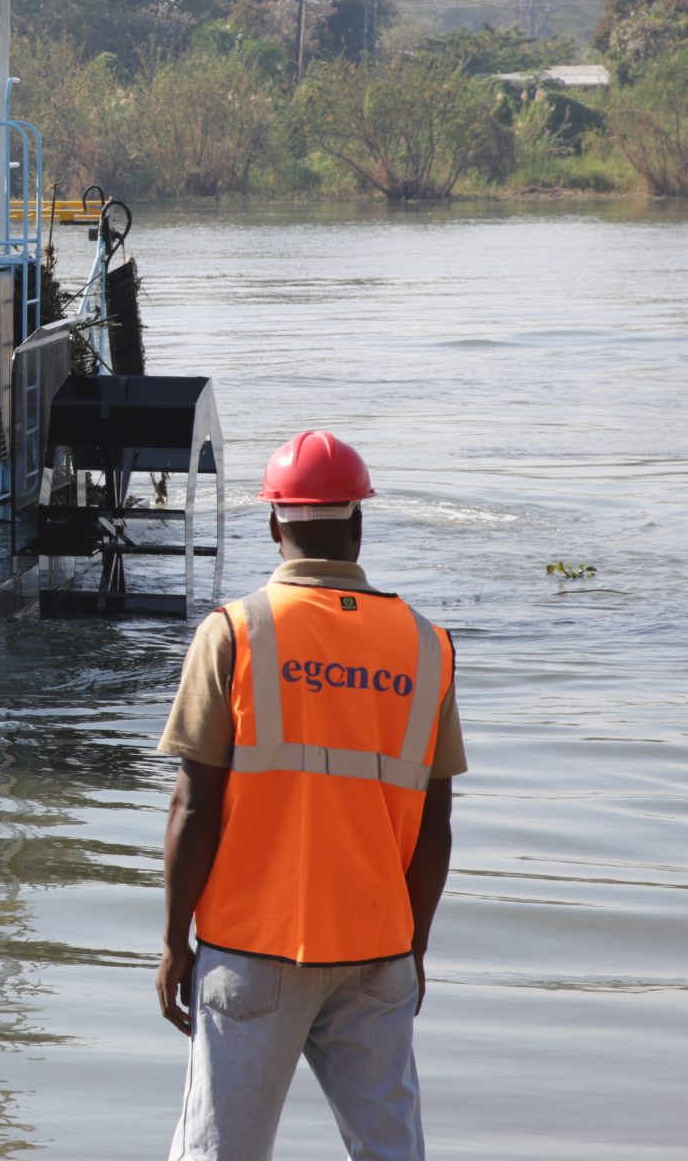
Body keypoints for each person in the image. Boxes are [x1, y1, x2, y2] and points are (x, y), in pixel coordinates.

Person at [156, 430, 463, 1161]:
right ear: (358, 520)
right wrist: (411, 947)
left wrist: (173, 943)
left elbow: (193, 808)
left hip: (253, 948)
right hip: (378, 947)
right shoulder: (427, 645)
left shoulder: (233, 632)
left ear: (273, 523)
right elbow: (437, 826)